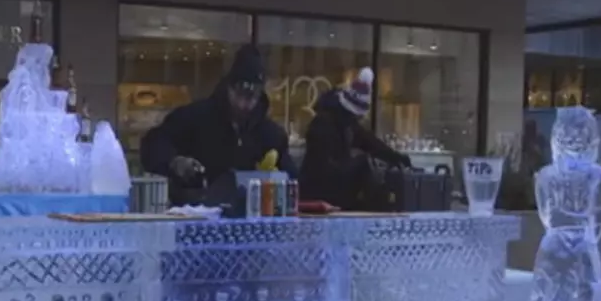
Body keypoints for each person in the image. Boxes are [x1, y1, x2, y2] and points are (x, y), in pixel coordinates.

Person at [140, 44, 294, 206]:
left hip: (251, 221)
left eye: (251, 98)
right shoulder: (195, 117)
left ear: (259, 96)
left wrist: (275, 178)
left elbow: (292, 179)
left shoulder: (271, 135)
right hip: (196, 215)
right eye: (239, 95)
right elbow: (154, 143)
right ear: (228, 88)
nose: (243, 105)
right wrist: (175, 161)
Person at [299, 67, 410, 205]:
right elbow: (322, 171)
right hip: (317, 192)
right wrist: (356, 166)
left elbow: (369, 142)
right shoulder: (323, 126)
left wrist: (395, 157)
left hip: (330, 189)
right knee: (363, 165)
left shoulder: (345, 122)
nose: (358, 120)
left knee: (364, 165)